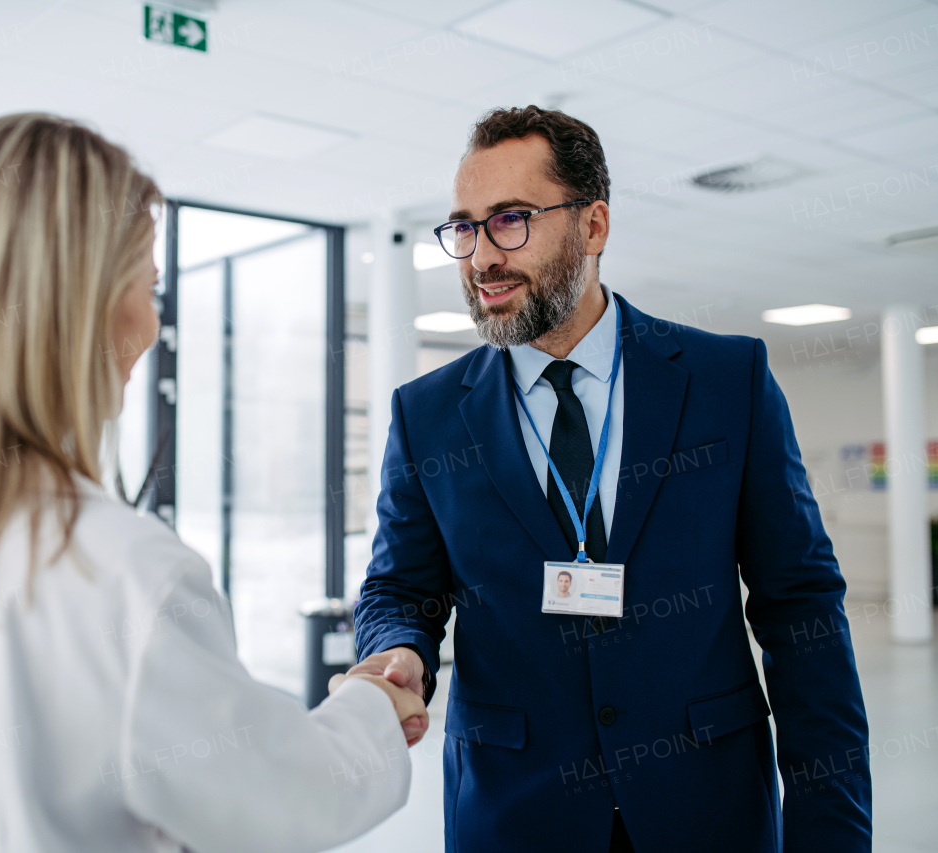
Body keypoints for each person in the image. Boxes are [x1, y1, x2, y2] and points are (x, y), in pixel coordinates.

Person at [0, 113, 427, 853]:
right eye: (148, 285)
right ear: (79, 308)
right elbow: (283, 805)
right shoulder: (122, 576)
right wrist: (371, 704)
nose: (151, 323)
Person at [349, 106, 872, 852]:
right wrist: (399, 645)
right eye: (464, 227)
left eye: (511, 220)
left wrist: (834, 831)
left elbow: (802, 612)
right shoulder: (428, 414)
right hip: (515, 813)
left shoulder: (728, 381)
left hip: (708, 808)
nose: (480, 256)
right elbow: (399, 588)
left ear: (593, 226)